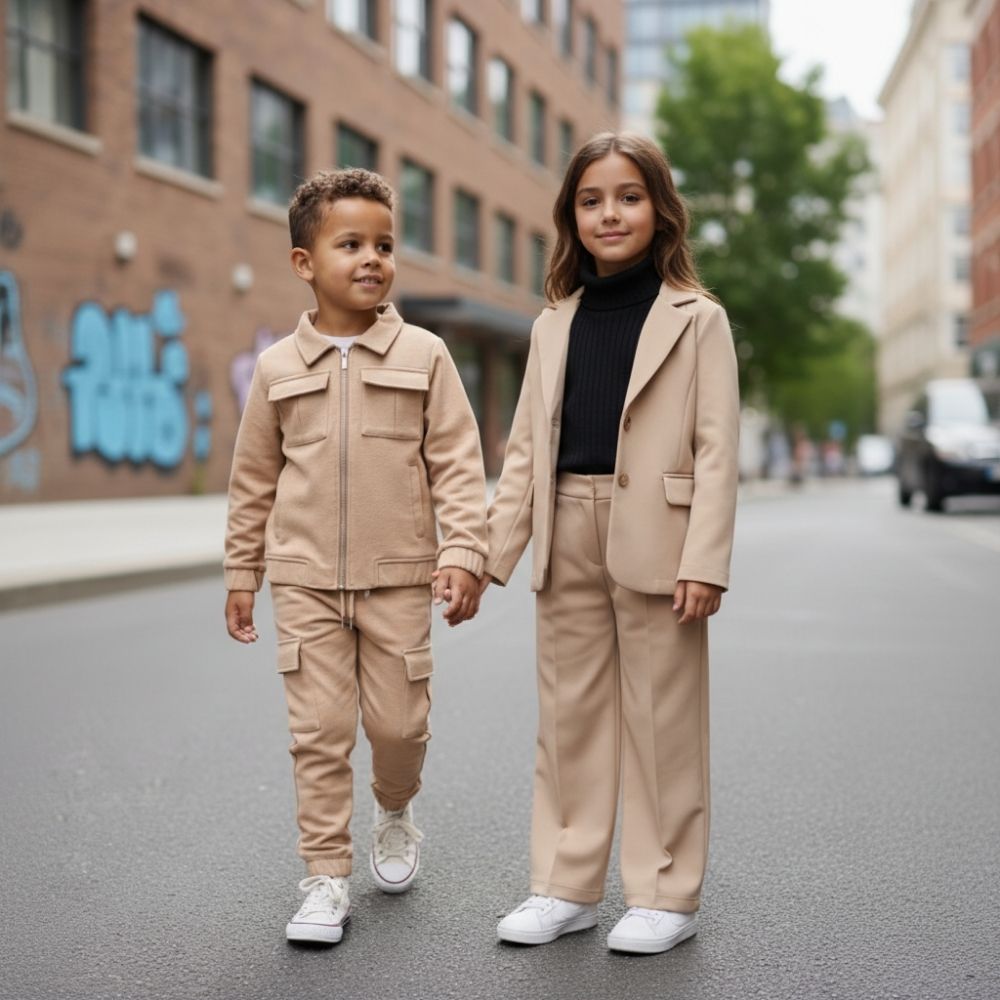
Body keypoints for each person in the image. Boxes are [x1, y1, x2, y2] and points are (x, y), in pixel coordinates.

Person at [481, 133, 740, 955]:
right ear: (571, 217)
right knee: (568, 717)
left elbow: (717, 450)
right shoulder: (552, 323)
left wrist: (705, 559)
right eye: (591, 201)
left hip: (659, 535)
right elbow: (525, 449)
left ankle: (665, 894)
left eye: (629, 197)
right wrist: (487, 558)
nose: (610, 214)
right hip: (565, 524)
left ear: (660, 210)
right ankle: (565, 886)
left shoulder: (698, 319)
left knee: (663, 719)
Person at [223, 168, 487, 946]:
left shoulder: (426, 354)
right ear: (304, 262)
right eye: (351, 244)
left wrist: (463, 549)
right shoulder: (277, 369)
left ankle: (395, 808)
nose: (373, 258)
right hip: (304, 583)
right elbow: (252, 481)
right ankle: (325, 876)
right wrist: (242, 573)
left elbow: (458, 464)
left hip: (399, 579)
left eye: (384, 244)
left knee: (399, 727)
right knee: (319, 730)